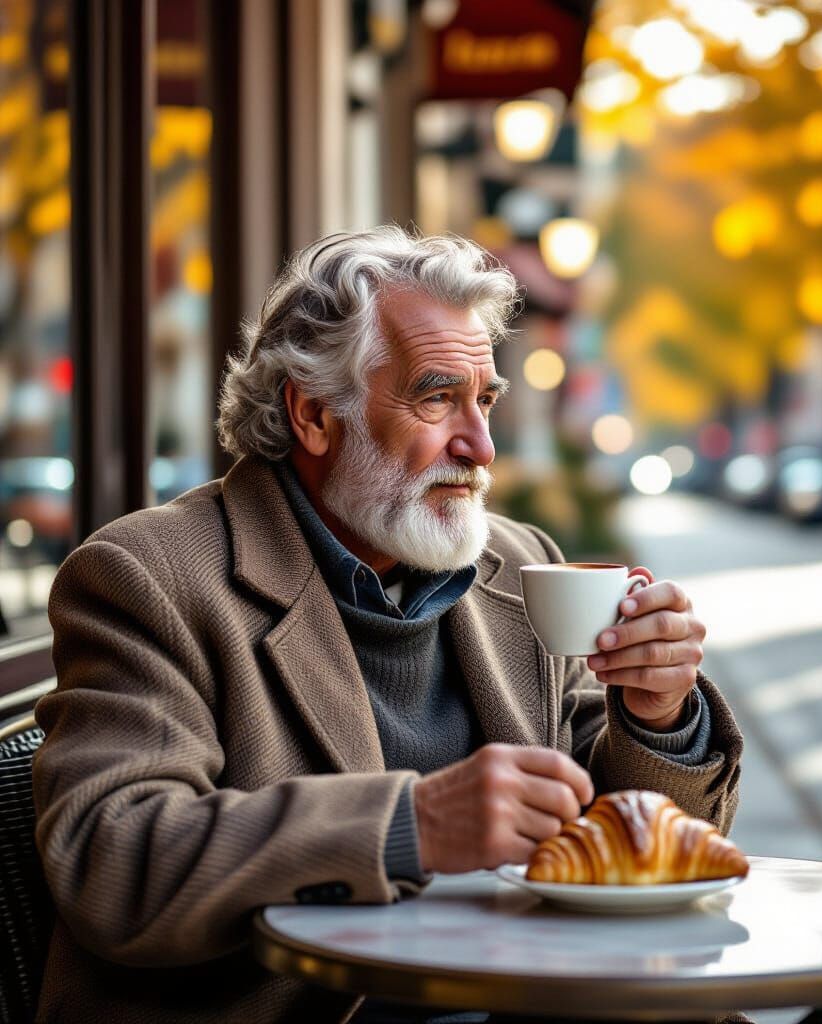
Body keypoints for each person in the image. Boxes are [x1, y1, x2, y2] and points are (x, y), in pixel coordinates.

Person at [32, 226, 745, 1024]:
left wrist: (656, 716)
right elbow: (113, 857)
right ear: (313, 415)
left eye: (485, 401)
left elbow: (613, 840)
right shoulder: (150, 575)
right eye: (437, 397)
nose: (480, 446)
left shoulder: (518, 561)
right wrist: (411, 826)